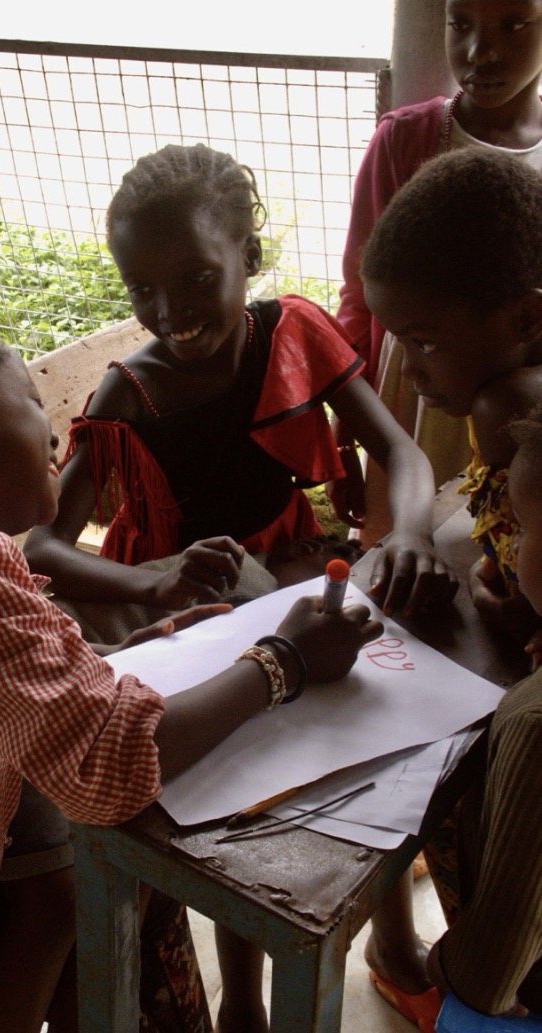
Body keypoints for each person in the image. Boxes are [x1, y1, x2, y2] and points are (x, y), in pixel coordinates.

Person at [0, 312, 383, 1033]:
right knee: (113, 888)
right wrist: (280, 661)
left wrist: (139, 646)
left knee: (69, 888)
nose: (56, 425)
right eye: (34, 400)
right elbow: (107, 764)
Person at [24, 141, 458, 1033]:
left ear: (248, 260)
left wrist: (407, 531)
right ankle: (245, 1007)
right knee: (239, 799)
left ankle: (378, 939)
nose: (168, 312)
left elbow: (400, 450)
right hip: (190, 619)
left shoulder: (291, 331)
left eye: (194, 280)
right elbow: (37, 541)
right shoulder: (129, 392)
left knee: (346, 747)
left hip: (290, 569)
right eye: (139, 289)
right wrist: (146, 580)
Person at [359, 147, 542, 1033]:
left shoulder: (513, 412)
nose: (410, 364)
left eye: (425, 340)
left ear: (523, 318)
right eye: (398, 336)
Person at [333, 0, 542, 547]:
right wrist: (346, 427)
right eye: (461, 25)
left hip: (512, 398)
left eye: (513, 25)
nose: (480, 52)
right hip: (420, 412)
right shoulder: (407, 138)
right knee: (408, 547)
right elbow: (359, 289)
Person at [427, 403, 542, 1030]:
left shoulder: (535, 725)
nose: (510, 544)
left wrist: (442, 965)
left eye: (521, 528)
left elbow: (490, 971)